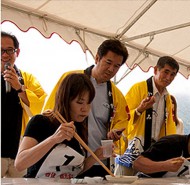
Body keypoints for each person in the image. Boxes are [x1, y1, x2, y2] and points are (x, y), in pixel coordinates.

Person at [43, 39, 130, 177]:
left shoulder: (116, 94)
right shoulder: (71, 79)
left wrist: (115, 132)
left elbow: (123, 122)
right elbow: (50, 112)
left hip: (99, 161)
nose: (111, 69)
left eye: (117, 66)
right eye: (108, 62)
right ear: (97, 58)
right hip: (67, 159)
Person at [14, 73, 110, 178]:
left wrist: (96, 156)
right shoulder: (41, 122)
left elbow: (72, 171)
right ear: (65, 99)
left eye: (89, 103)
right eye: (79, 102)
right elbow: (20, 164)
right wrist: (54, 139)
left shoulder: (78, 127)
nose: (85, 109)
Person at [115, 56, 179, 176]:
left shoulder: (167, 98)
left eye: (172, 75)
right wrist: (139, 110)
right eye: (166, 72)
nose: (168, 78)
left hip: (153, 154)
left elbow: (169, 128)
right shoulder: (138, 88)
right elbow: (122, 119)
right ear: (156, 70)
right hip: (133, 150)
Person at [1, 31, 47, 178]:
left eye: (9, 50)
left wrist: (19, 88)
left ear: (17, 52)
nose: (4, 55)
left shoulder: (27, 79)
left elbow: (41, 107)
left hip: (19, 151)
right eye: (1, 50)